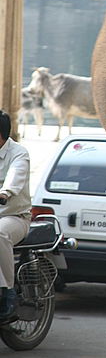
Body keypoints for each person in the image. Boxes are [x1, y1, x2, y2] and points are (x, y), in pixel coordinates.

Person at [0, 110, 31, 319]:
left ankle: (7, 292)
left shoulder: (19, 153)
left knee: (0, 233)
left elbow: (15, 176)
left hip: (14, 217)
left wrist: (5, 192)